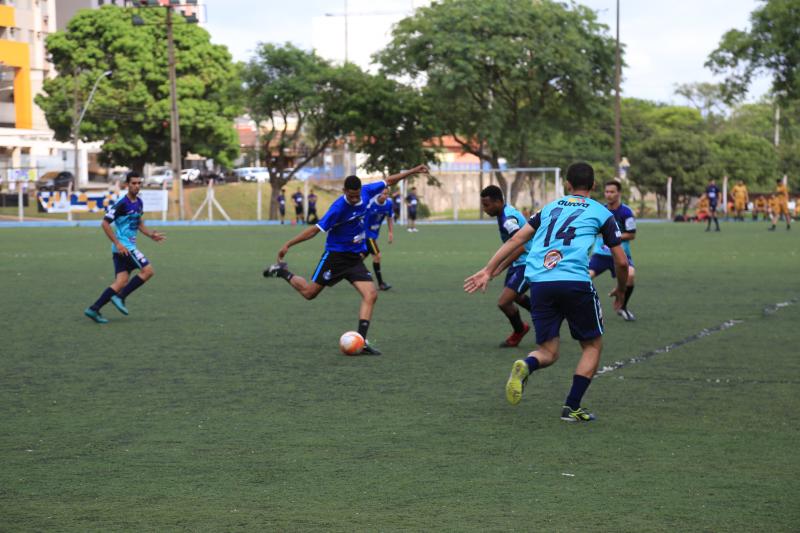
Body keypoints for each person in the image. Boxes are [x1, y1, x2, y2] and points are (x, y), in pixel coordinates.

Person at [465, 162, 628, 422]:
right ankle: (572, 407)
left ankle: (527, 365)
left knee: (548, 351)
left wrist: (488, 271)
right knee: (592, 346)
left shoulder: (548, 209)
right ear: (594, 186)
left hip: (540, 283)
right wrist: (620, 290)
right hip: (574, 282)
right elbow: (620, 261)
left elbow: (517, 239)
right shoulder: (601, 213)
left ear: (567, 184)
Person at [263, 165, 429, 355]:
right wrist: (289, 244)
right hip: (335, 257)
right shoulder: (338, 209)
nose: (354, 199)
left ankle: (361, 341)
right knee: (309, 293)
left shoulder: (367, 192)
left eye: (356, 195)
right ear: (344, 192)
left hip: (354, 258)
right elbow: (314, 230)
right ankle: (282, 271)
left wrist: (413, 170)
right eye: (350, 196)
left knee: (371, 294)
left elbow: (390, 180)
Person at [84, 172, 166, 324]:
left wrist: (150, 235)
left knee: (121, 281)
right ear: (127, 185)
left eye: (139, 183)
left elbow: (138, 222)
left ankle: (94, 309)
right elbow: (105, 223)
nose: (136, 186)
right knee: (148, 271)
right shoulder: (122, 203)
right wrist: (118, 243)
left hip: (125, 248)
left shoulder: (139, 202)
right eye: (133, 183)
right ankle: (120, 297)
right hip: (124, 247)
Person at [479, 185, 533, 347]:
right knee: (515, 297)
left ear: (498, 202)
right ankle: (549, 315)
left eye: (487, 205)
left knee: (504, 302)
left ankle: (520, 330)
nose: (484, 209)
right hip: (518, 262)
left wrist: (499, 268)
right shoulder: (504, 213)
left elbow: (520, 246)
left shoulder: (508, 219)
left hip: (527, 262)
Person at [589, 180, 637, 321]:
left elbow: (632, 234)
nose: (609, 195)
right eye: (607, 192)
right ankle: (586, 307)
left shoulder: (626, 212)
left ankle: (623, 307)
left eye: (612, 192)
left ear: (619, 193)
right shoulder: (600, 211)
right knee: (584, 276)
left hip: (621, 254)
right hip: (600, 255)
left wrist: (613, 236)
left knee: (631, 275)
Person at [365, 187, 395, 291]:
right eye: (384, 194)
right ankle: (381, 284)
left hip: (374, 234)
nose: (385, 196)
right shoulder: (370, 204)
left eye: (387, 194)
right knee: (377, 256)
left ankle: (340, 272)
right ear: (378, 194)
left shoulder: (389, 204)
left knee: (360, 257)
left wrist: (390, 232)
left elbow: (390, 218)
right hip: (366, 234)